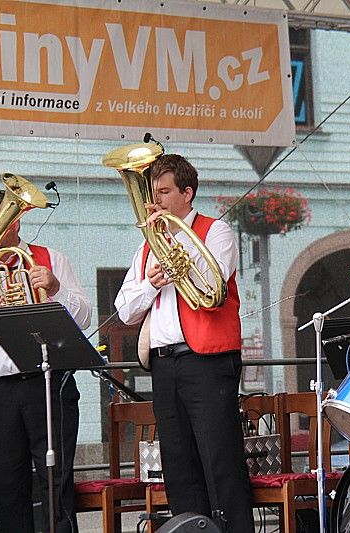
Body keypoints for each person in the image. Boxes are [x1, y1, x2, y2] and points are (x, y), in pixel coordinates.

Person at [115, 153, 252, 533]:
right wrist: (150, 283)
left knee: (220, 460)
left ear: (187, 193)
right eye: (152, 193)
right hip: (164, 363)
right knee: (178, 464)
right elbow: (124, 310)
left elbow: (213, 286)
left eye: (163, 192)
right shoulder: (146, 248)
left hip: (206, 360)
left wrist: (174, 255)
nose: (154, 201)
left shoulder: (215, 232)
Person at [0, 188, 91, 533]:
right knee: (7, 487)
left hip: (48, 384)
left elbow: (83, 317)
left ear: (16, 222)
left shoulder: (52, 260)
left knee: (57, 483)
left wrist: (56, 288)